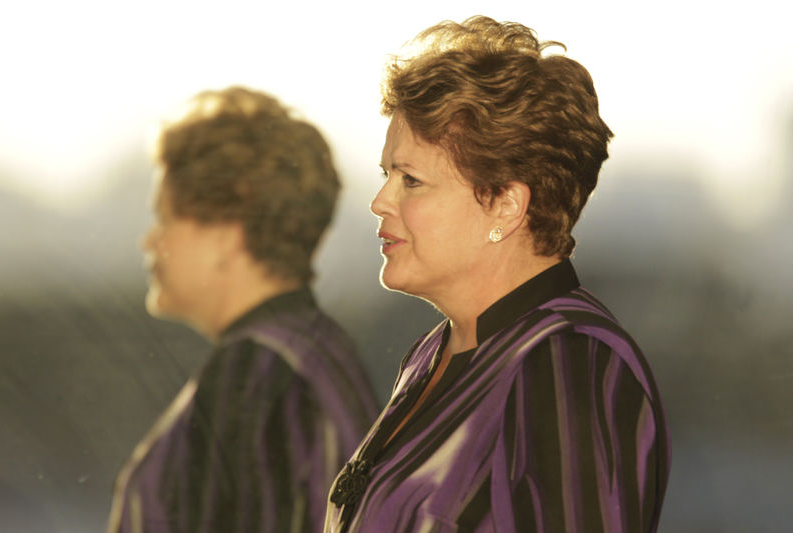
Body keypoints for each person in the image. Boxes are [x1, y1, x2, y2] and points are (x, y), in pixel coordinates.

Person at [324, 16, 670, 533]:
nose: (380, 201)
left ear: (506, 206)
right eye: (386, 175)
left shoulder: (569, 359)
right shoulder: (432, 355)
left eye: (411, 180)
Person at [107, 87, 378, 533]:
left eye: (166, 218)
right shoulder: (316, 350)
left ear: (225, 236)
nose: (150, 241)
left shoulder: (254, 372)